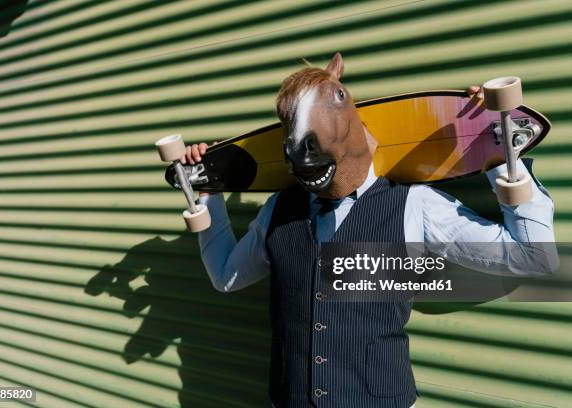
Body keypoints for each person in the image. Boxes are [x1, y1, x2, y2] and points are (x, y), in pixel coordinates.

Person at [180, 54, 557, 408]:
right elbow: (226, 277)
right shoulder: (279, 209)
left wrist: (492, 149)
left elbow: (534, 257)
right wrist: (210, 193)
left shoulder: (413, 205)